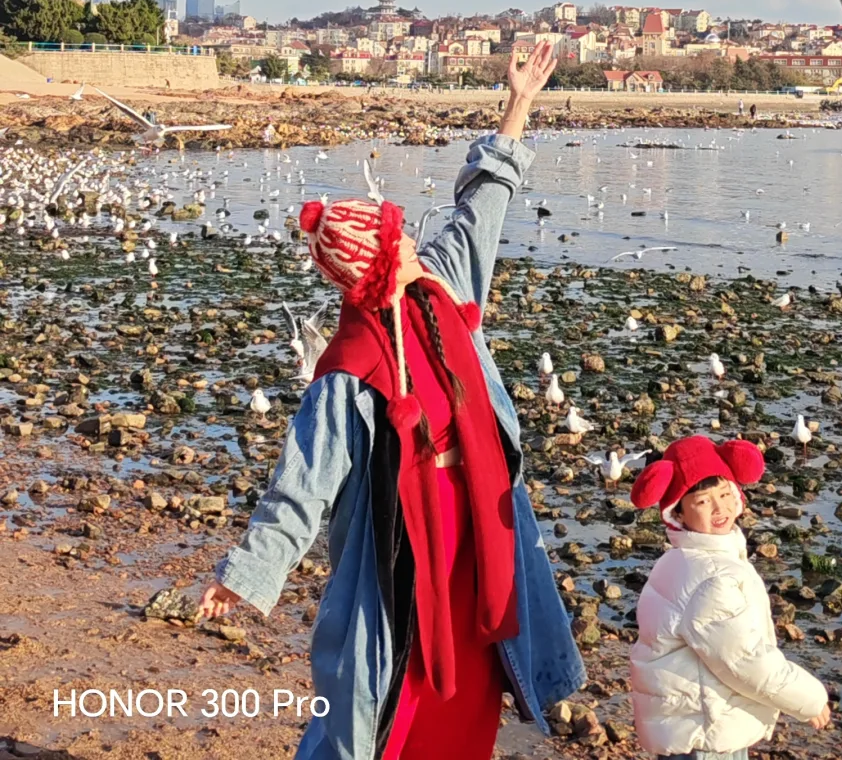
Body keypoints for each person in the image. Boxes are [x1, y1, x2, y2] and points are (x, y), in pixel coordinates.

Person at [197, 40, 584, 760]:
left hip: (476, 549)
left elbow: (481, 208)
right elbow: (301, 487)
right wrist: (247, 576)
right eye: (393, 238)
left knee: (473, 699)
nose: (409, 238)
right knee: (379, 707)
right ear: (373, 267)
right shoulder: (348, 371)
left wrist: (519, 106)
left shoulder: (442, 288)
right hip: (401, 565)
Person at [629, 435, 829, 760]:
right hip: (708, 731)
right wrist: (809, 699)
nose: (720, 508)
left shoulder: (681, 560)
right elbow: (743, 661)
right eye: (704, 501)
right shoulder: (713, 577)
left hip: (690, 722)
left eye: (724, 493)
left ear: (737, 495)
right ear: (677, 513)